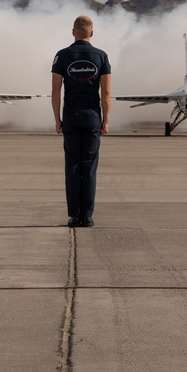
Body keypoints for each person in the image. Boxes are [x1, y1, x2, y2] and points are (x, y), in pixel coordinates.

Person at [52, 15, 111, 228]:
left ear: (73, 32)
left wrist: (57, 119)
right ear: (92, 33)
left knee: (73, 166)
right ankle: (87, 216)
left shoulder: (62, 56)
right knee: (89, 166)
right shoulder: (101, 57)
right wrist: (105, 121)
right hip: (92, 116)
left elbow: (56, 90)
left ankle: (74, 215)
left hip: (70, 114)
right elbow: (106, 93)